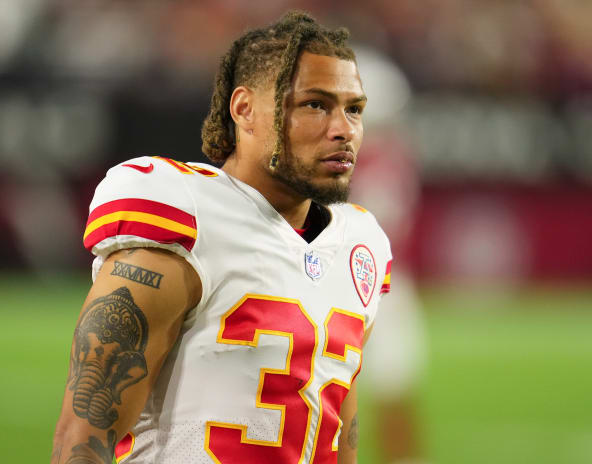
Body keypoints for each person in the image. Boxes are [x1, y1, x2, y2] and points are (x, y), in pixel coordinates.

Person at [52, 11, 392, 464]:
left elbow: (333, 434)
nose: (343, 129)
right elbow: (83, 434)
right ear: (244, 110)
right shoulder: (186, 216)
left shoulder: (358, 244)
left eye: (354, 109)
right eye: (314, 104)